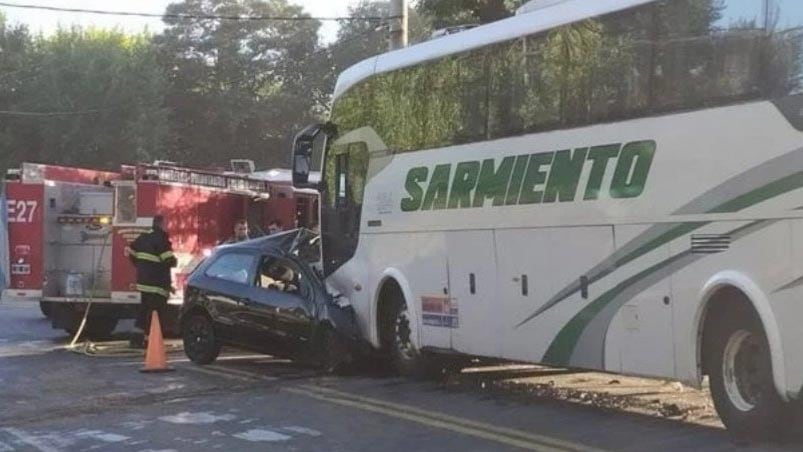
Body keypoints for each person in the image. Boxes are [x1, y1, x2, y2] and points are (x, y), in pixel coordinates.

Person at [126, 215, 177, 341]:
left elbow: (130, 251)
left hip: (144, 282)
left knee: (143, 310)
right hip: (157, 285)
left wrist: (140, 266)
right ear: (161, 224)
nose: (168, 226)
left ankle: (137, 338)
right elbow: (169, 260)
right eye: (167, 224)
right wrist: (174, 261)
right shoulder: (161, 238)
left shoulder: (144, 237)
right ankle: (151, 340)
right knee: (155, 313)